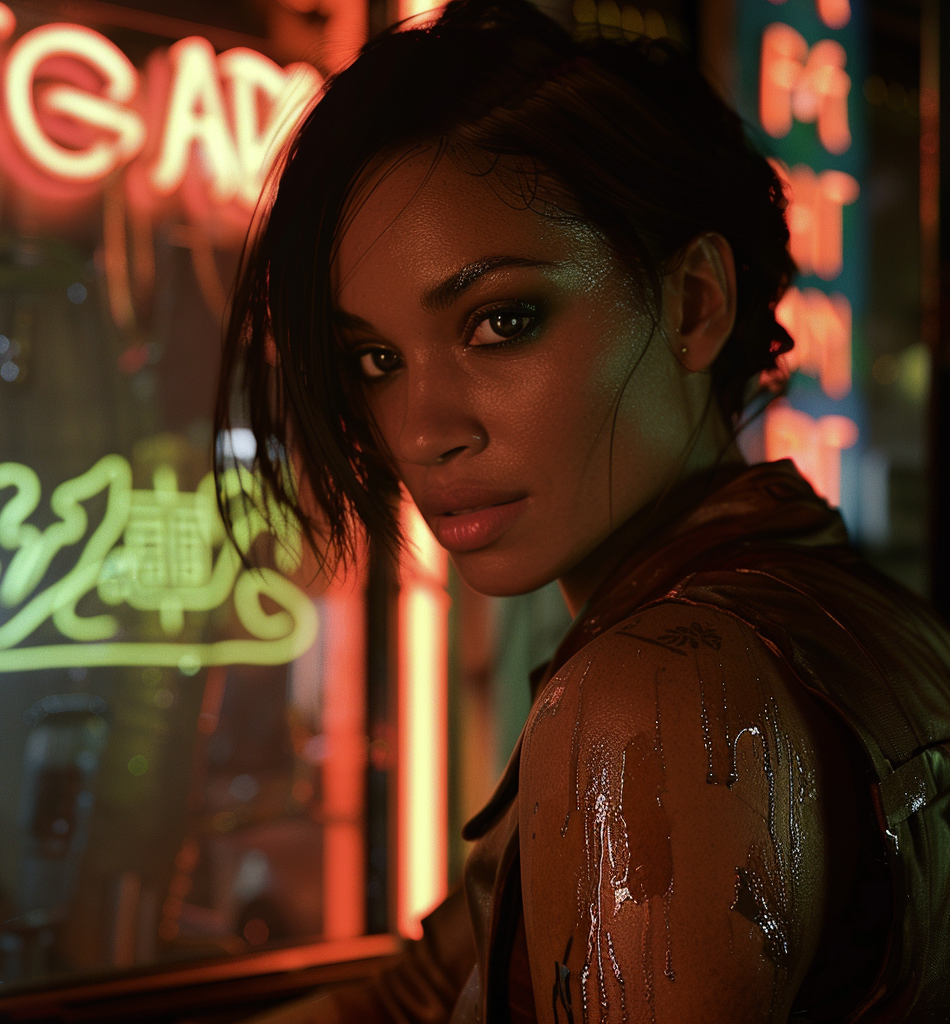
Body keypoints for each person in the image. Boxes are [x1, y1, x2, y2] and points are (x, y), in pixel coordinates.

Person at [215, 2, 950, 1021]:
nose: (422, 427)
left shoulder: (651, 700)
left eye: (499, 321)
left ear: (694, 302)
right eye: (374, 361)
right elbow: (420, 994)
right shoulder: (850, 612)